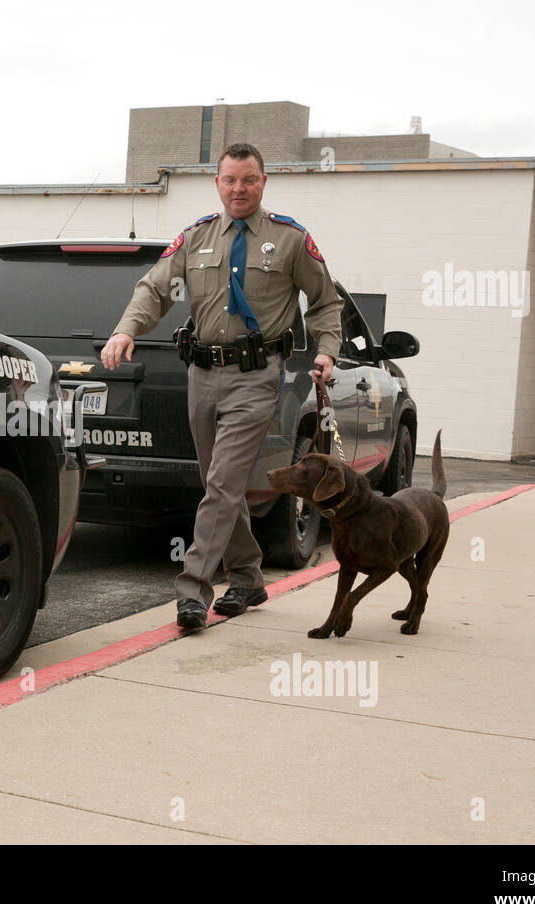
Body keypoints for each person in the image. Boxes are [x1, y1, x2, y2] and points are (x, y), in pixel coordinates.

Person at [100, 142, 344, 629]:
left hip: (256, 377)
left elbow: (324, 300)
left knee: (222, 482)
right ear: (217, 183)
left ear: (263, 182)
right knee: (220, 483)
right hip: (202, 374)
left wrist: (326, 349)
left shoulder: (291, 239)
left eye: (248, 179)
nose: (239, 188)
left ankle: (192, 590)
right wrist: (127, 328)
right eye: (230, 180)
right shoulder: (196, 238)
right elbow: (155, 288)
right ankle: (250, 579)